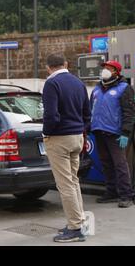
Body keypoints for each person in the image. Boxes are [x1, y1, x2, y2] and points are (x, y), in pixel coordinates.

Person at [42, 53, 91, 243]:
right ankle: (78, 221)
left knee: (65, 185)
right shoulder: (78, 83)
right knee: (73, 181)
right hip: (77, 137)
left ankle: (75, 228)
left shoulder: (51, 84)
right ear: (66, 64)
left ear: (48, 67)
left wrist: (47, 133)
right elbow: (87, 113)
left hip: (59, 139)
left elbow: (51, 115)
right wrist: (81, 129)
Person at [91, 60, 135, 208]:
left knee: (120, 164)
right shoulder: (97, 89)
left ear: (116, 71)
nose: (105, 70)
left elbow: (129, 113)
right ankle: (111, 192)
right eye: (104, 68)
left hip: (115, 133)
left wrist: (125, 132)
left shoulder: (124, 88)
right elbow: (92, 109)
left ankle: (126, 194)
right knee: (106, 164)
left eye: (108, 68)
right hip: (98, 131)